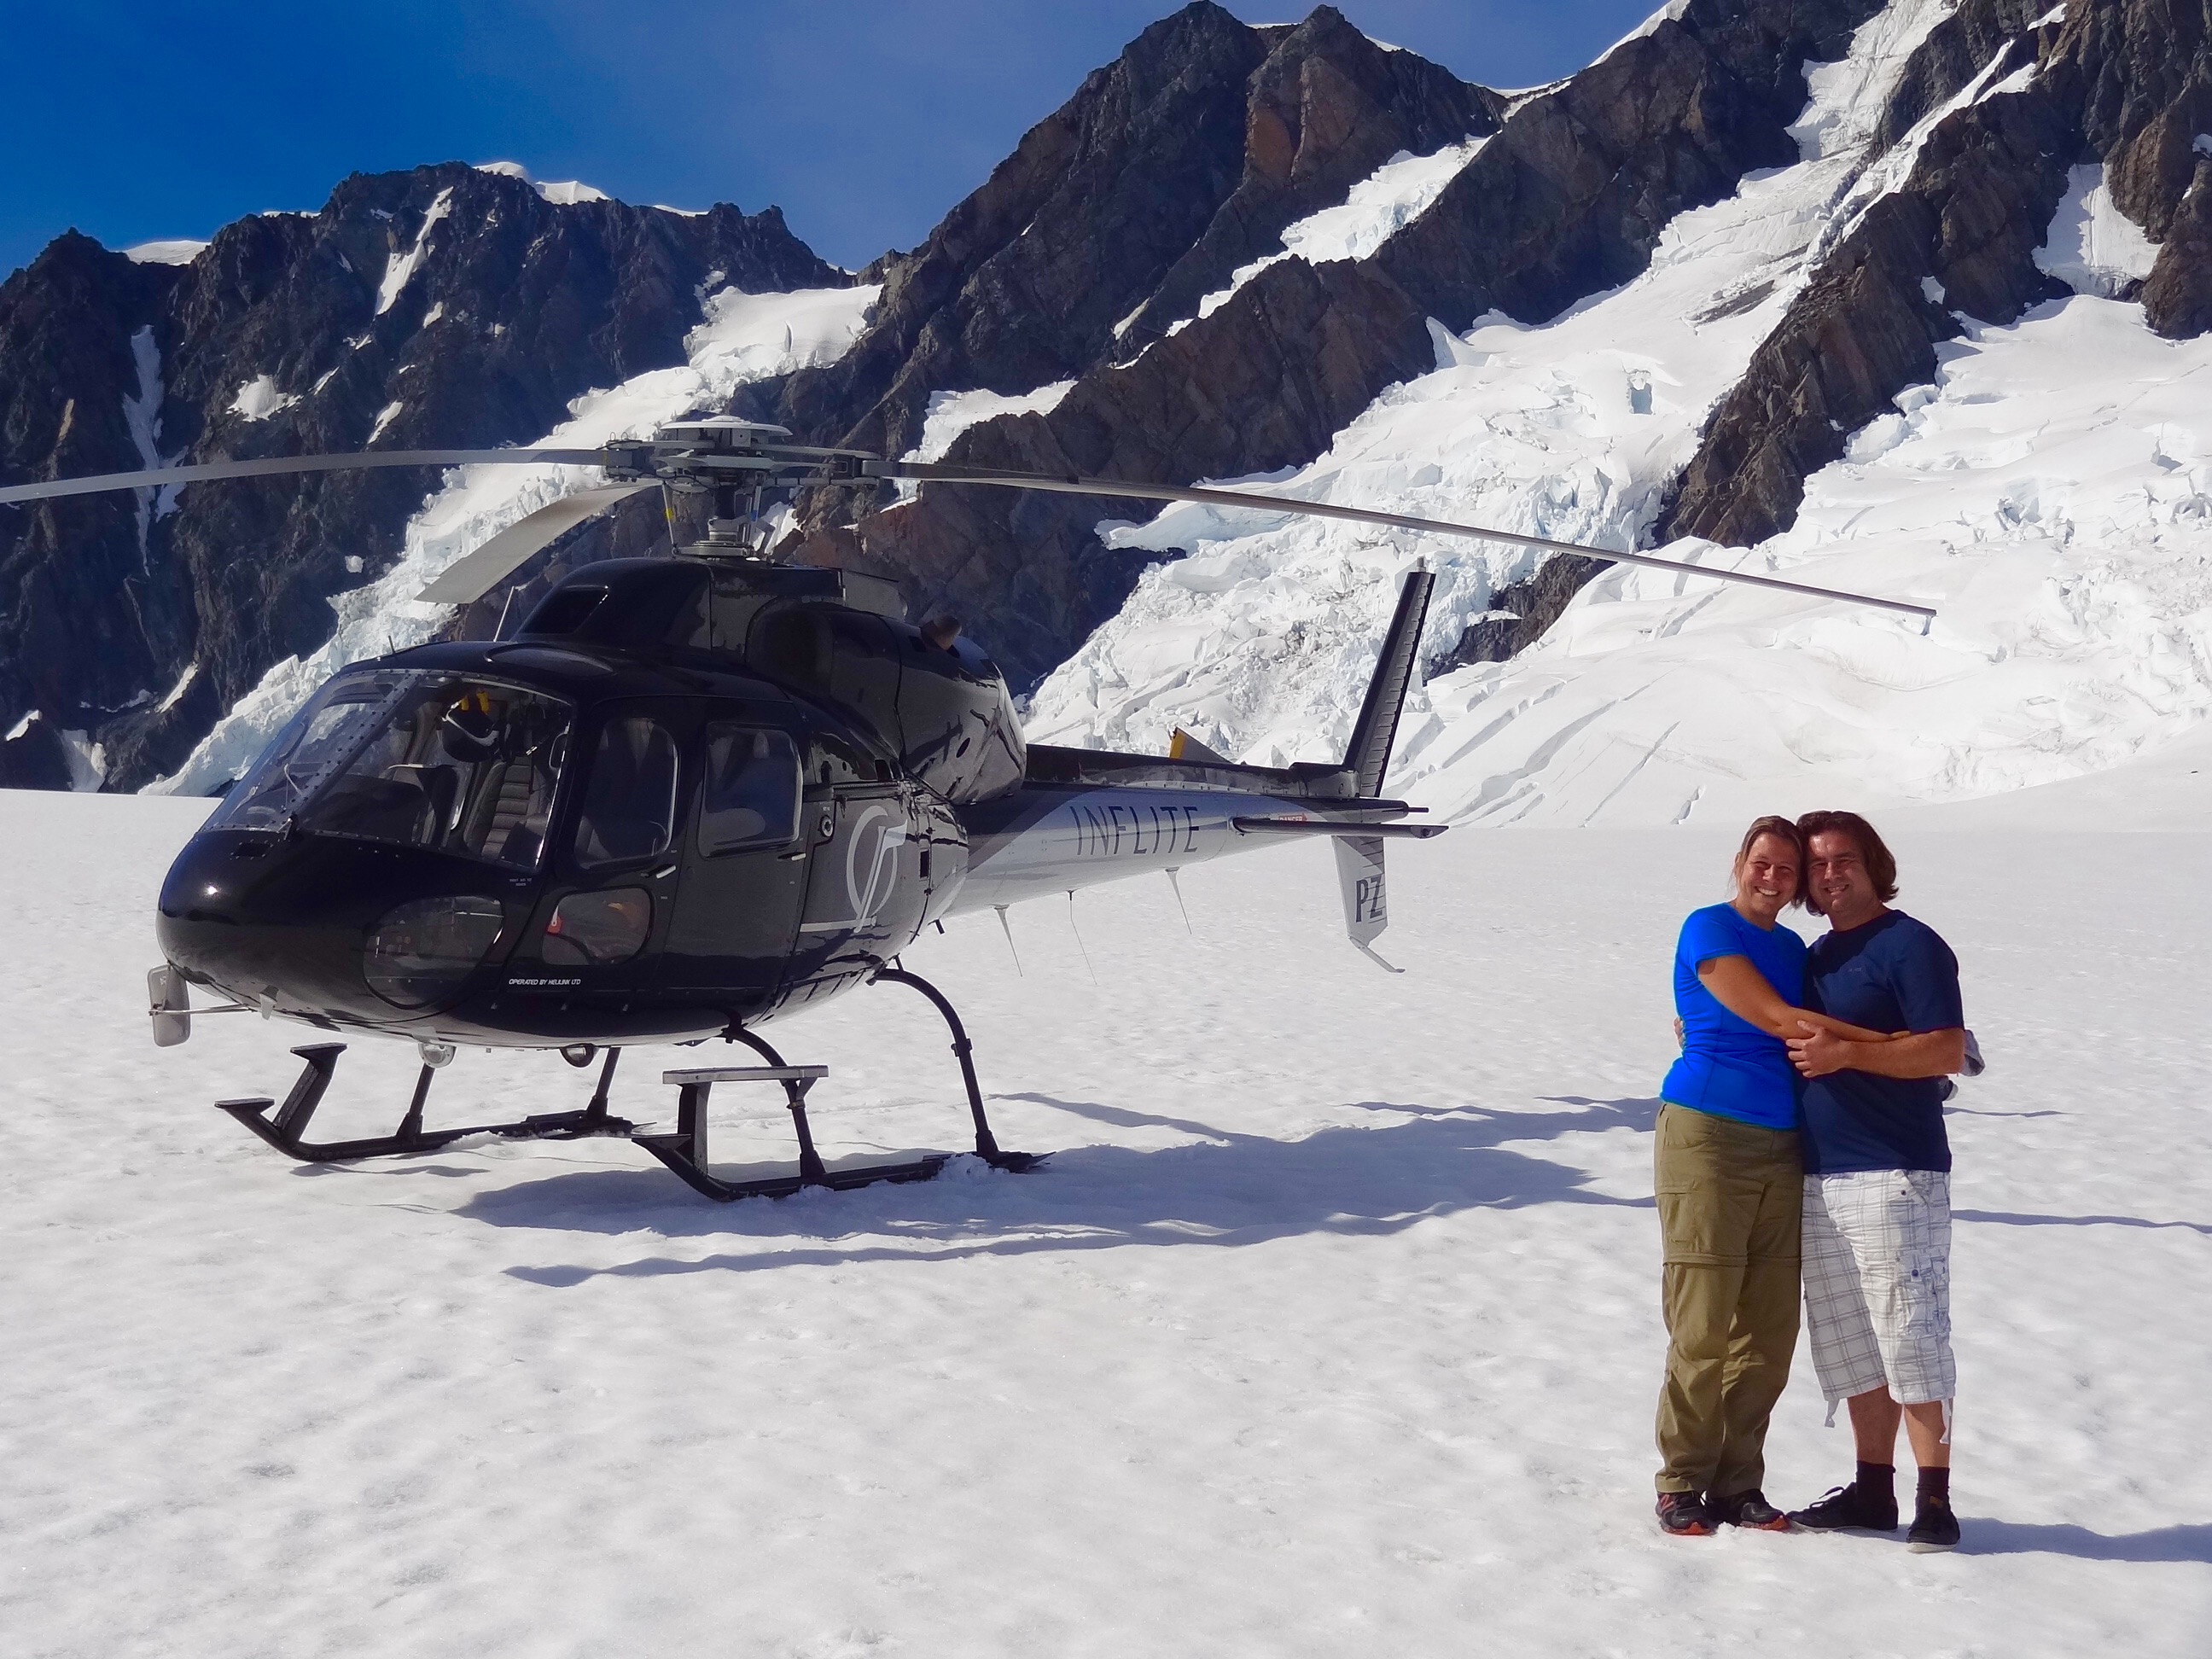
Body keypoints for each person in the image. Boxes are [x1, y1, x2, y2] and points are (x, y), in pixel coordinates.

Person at [1653, 817, 1894, 1538]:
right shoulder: (1709, 927)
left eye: (1786, 870)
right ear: (1740, 863)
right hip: (1706, 1136)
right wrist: (1910, 1049)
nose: (1772, 877)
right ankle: (1681, 1481)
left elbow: (1819, 1017)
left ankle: (1738, 1484)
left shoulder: (1792, 949)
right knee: (1703, 1320)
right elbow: (1781, 1019)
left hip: (1783, 1142)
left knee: (1767, 1329)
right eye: (1762, 863)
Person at [1783, 810, 1969, 1554]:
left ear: (1873, 865)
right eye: (1818, 864)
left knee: (1912, 1334)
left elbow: (1947, 1050)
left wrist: (1848, 1056)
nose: (1831, 874)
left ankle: (1935, 1500)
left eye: (1844, 859)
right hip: (1819, 1175)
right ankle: (1871, 1489)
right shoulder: (1815, 958)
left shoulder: (1911, 944)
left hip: (1897, 1170)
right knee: (1851, 1341)